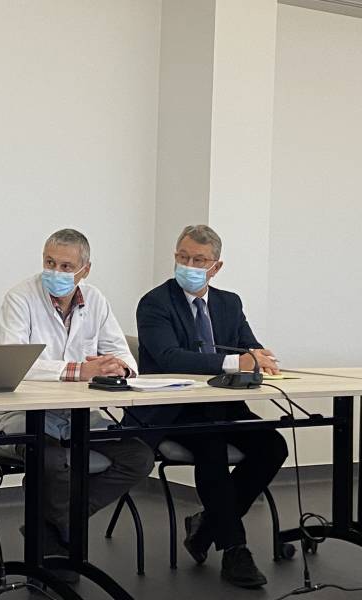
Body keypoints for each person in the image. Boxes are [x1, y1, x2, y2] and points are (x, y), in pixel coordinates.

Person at [0, 228, 154, 582]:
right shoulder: (20, 298)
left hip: (76, 417)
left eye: (65, 266)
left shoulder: (96, 300)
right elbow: (16, 363)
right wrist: (78, 370)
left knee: (139, 457)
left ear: (84, 270)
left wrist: (119, 367)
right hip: (21, 416)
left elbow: (123, 354)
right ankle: (60, 534)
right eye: (49, 262)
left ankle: (49, 526)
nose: (55, 272)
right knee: (51, 460)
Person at [135, 224, 288, 589]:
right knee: (212, 446)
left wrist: (259, 357)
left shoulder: (229, 303)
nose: (189, 265)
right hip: (173, 410)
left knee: (274, 446)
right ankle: (235, 549)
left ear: (216, 267)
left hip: (224, 406)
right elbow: (170, 358)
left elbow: (249, 348)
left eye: (199, 260)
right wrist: (237, 362)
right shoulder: (155, 303)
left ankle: (205, 527)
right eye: (183, 257)